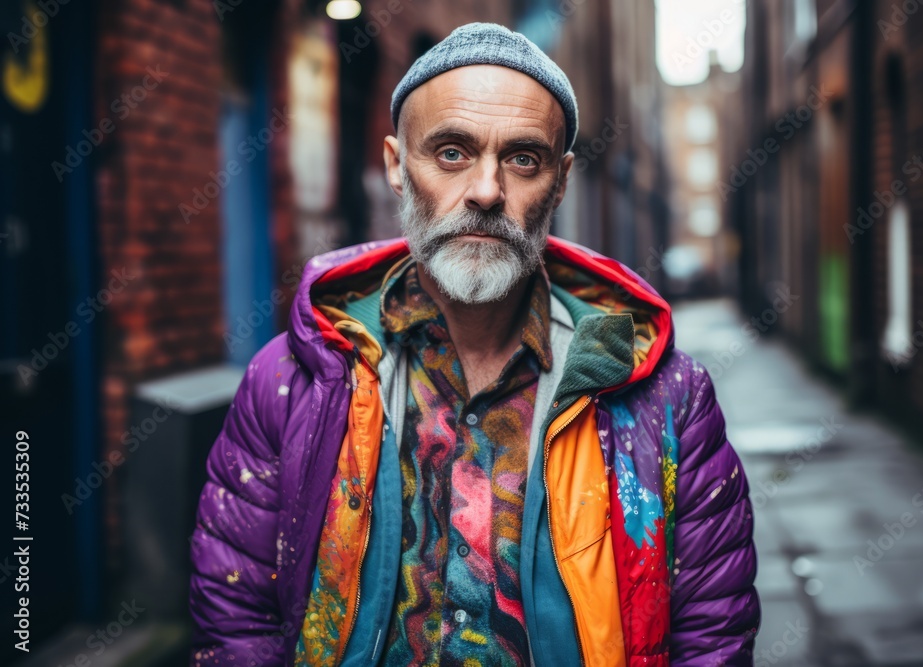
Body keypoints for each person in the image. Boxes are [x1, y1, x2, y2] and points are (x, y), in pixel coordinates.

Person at [189, 22, 759, 667]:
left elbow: (711, 635)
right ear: (396, 166)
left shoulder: (664, 398)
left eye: (523, 159)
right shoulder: (289, 384)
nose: (487, 191)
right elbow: (237, 620)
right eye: (452, 152)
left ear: (561, 182)